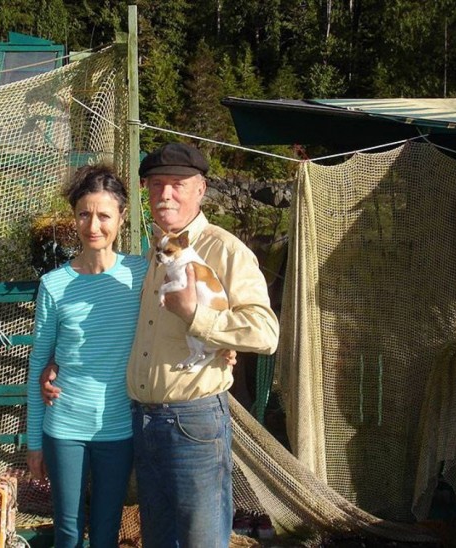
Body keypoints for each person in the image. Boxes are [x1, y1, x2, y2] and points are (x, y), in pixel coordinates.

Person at [44, 142, 279, 547]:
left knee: (198, 538)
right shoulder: (154, 251)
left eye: (177, 185)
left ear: (200, 190)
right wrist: (56, 361)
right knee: (159, 537)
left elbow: (264, 332)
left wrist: (197, 318)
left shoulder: (223, 249)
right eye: (156, 186)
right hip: (145, 422)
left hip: (193, 420)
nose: (165, 195)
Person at [26, 164, 148, 548]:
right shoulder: (54, 285)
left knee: (107, 529)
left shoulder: (142, 274)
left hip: (120, 429)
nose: (93, 225)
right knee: (67, 531)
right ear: (74, 217)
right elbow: (37, 365)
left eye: (104, 215)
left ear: (122, 218)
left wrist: (221, 345)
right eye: (84, 214)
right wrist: (33, 444)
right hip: (63, 429)